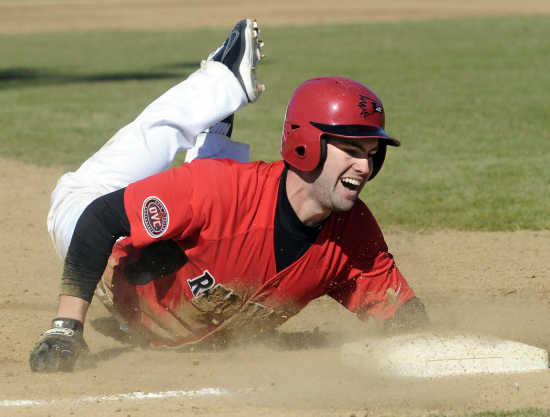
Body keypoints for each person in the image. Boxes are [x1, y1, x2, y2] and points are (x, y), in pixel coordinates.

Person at [30, 18, 428, 373]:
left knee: (205, 191)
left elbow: (397, 310)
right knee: (94, 182)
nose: (364, 167)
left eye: (372, 156)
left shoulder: (352, 235)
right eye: (353, 151)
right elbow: (99, 220)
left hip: (201, 219)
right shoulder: (222, 192)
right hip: (109, 245)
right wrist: (66, 329)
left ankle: (214, 139)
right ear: (307, 143)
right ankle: (219, 83)